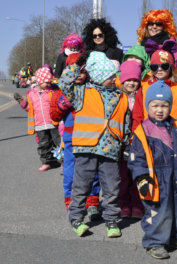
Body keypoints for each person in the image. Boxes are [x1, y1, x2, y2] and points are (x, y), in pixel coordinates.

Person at [127, 80, 177, 259]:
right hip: (155, 179)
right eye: (155, 106)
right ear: (147, 106)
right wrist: (142, 178)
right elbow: (137, 159)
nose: (159, 110)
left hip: (175, 177)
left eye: (164, 105)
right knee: (158, 210)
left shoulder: (175, 127)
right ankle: (155, 242)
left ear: (170, 107)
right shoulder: (143, 131)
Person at [59, 51, 130, 238]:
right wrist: (75, 67)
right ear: (99, 76)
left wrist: (126, 143)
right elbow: (63, 84)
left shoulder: (120, 97)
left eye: (114, 75)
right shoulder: (82, 92)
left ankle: (112, 220)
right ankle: (76, 218)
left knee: (112, 187)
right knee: (81, 186)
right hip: (86, 148)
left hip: (111, 149)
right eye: (110, 75)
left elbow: (126, 122)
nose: (114, 78)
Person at [51, 53, 101, 221]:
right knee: (70, 173)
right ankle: (71, 203)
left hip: (90, 138)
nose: (79, 74)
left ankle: (92, 203)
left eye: (82, 70)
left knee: (92, 173)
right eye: (74, 70)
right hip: (71, 138)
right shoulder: (61, 90)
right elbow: (54, 116)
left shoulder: (92, 88)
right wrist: (62, 105)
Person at [132, 40, 177, 132]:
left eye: (164, 66)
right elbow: (137, 116)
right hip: (148, 135)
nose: (160, 69)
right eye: (154, 67)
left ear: (171, 68)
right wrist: (135, 137)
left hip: (173, 135)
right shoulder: (144, 88)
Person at [13, 66, 61, 171]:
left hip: (53, 122)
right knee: (44, 144)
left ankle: (63, 163)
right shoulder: (31, 94)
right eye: (46, 82)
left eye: (50, 82)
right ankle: (47, 162)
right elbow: (30, 109)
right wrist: (22, 102)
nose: (49, 84)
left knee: (59, 142)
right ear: (39, 81)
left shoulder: (52, 91)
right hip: (39, 124)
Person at [118, 60, 144, 219]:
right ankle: (123, 205)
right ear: (122, 80)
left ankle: (137, 205)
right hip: (121, 143)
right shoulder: (118, 97)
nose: (131, 83)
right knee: (122, 176)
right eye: (128, 79)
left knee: (136, 175)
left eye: (135, 80)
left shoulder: (141, 96)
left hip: (137, 142)